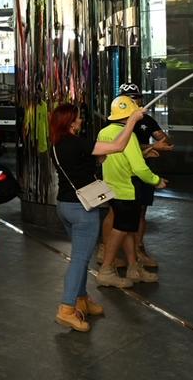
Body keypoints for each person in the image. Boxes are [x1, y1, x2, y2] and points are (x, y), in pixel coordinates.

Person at [50, 102, 143, 332]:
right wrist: (133, 119)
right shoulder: (77, 142)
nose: (81, 121)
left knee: (80, 256)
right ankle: (67, 309)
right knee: (80, 260)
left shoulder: (57, 144)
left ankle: (81, 299)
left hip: (64, 206)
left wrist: (96, 161)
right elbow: (119, 145)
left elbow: (82, 164)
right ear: (71, 122)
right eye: (78, 118)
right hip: (83, 210)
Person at [98, 96, 167, 287]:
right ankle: (106, 270)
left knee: (127, 229)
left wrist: (143, 151)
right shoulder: (130, 136)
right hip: (128, 190)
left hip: (112, 188)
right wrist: (156, 180)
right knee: (120, 230)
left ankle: (133, 268)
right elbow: (138, 168)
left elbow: (110, 157)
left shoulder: (104, 132)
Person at [115, 83, 174, 270]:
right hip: (123, 173)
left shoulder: (146, 121)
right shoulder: (115, 124)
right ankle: (112, 251)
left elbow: (164, 140)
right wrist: (150, 148)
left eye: (137, 98)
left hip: (143, 171)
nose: (134, 101)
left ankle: (138, 250)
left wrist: (157, 144)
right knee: (118, 214)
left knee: (140, 212)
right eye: (129, 98)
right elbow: (119, 147)